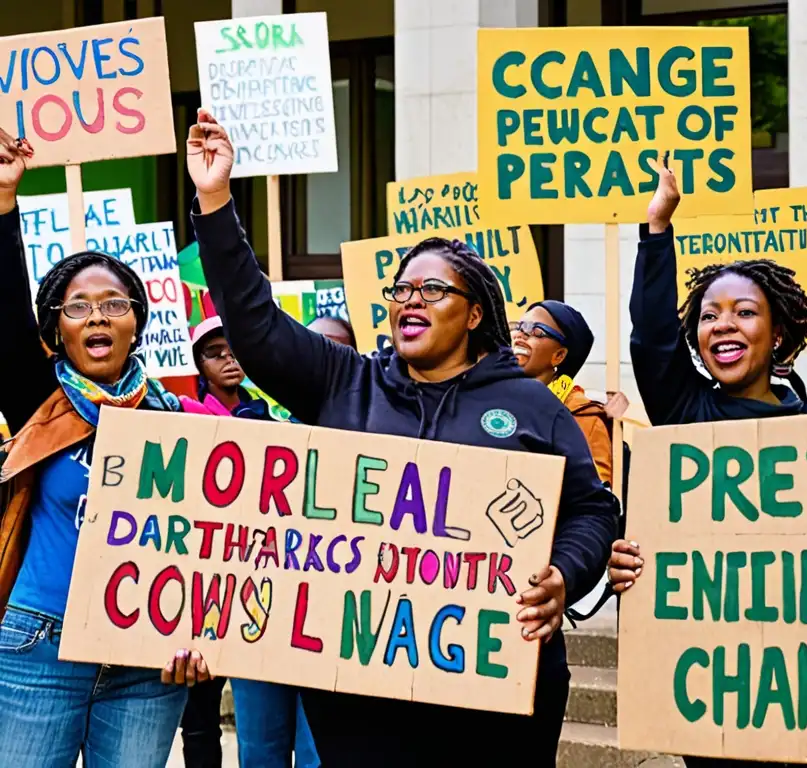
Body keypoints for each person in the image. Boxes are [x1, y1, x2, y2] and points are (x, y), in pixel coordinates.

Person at [187, 109, 618, 766]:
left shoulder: (532, 406)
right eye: (401, 288)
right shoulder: (344, 384)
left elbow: (591, 511)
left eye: (433, 289)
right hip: (363, 697)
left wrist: (563, 574)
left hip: (500, 690)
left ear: (475, 314)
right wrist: (216, 201)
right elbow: (256, 325)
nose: (409, 300)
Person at [610, 156, 807, 768]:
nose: (723, 325)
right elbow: (652, 338)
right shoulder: (686, 409)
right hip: (719, 696)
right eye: (709, 315)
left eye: (744, 312)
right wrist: (657, 228)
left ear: (779, 333)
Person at [0, 130, 209, 767]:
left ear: (137, 323)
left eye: (114, 304)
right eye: (78, 307)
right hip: (39, 649)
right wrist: (5, 200)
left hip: (149, 661)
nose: (97, 316)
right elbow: (2, 309)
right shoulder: (40, 401)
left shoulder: (180, 422)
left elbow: (217, 542)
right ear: (55, 329)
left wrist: (207, 631)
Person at [177, 315, 317, 767]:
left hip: (267, 575)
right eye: (215, 353)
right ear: (199, 363)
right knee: (201, 712)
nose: (228, 360)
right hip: (211, 579)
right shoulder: (186, 413)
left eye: (233, 350)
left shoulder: (267, 410)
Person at [512, 300, 613, 484]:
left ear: (559, 356)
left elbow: (596, 499)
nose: (521, 335)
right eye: (519, 327)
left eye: (536, 332)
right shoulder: (495, 398)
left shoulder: (584, 417)